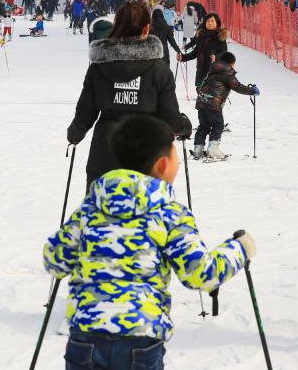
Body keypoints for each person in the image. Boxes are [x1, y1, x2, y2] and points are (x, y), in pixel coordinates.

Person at [44, 115, 254, 370]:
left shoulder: (91, 207)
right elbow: (200, 274)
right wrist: (240, 249)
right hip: (141, 337)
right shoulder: (170, 214)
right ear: (164, 165)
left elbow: (55, 260)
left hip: (86, 337)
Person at [68, 1, 192, 186]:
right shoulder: (159, 70)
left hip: (104, 155)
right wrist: (184, 125)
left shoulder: (98, 67)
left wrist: (75, 133)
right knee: (144, 205)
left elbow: (85, 112)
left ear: (116, 26)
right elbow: (170, 119)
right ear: (146, 28)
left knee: (101, 205)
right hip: (147, 157)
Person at [192, 52, 259, 161]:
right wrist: (252, 91)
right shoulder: (227, 72)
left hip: (202, 102)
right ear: (232, 63)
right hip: (213, 104)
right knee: (218, 125)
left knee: (203, 126)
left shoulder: (212, 70)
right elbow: (237, 87)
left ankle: (197, 149)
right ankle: (213, 148)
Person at [177, 13, 228, 87]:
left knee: (211, 92)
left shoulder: (220, 37)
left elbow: (224, 54)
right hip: (201, 71)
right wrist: (183, 57)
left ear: (217, 23)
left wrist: (216, 58)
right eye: (208, 21)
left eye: (212, 21)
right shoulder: (201, 36)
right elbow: (195, 52)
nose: (210, 23)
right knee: (200, 91)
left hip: (214, 72)